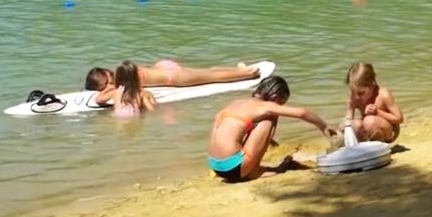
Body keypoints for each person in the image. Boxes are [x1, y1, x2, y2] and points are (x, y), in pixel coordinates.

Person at [208, 75, 335, 182]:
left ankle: (248, 167)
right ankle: (254, 171)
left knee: (244, 127)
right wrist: (324, 126)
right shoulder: (265, 107)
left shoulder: (236, 103)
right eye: (281, 102)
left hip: (216, 166)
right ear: (274, 97)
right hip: (234, 170)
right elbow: (302, 113)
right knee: (270, 117)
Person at [84, 61, 261, 105]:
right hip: (164, 67)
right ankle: (240, 69)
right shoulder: (123, 70)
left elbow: (100, 98)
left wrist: (107, 89)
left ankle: (248, 73)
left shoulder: (121, 81)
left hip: (173, 77)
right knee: (209, 71)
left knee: (211, 76)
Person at [343, 62, 403, 143]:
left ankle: (381, 147)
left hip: (388, 131)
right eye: (353, 92)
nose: (356, 97)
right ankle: (364, 148)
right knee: (353, 125)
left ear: (372, 86)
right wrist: (343, 129)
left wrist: (377, 112)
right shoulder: (354, 97)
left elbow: (399, 118)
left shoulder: (383, 95)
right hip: (369, 130)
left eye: (361, 93)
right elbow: (349, 118)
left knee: (369, 121)